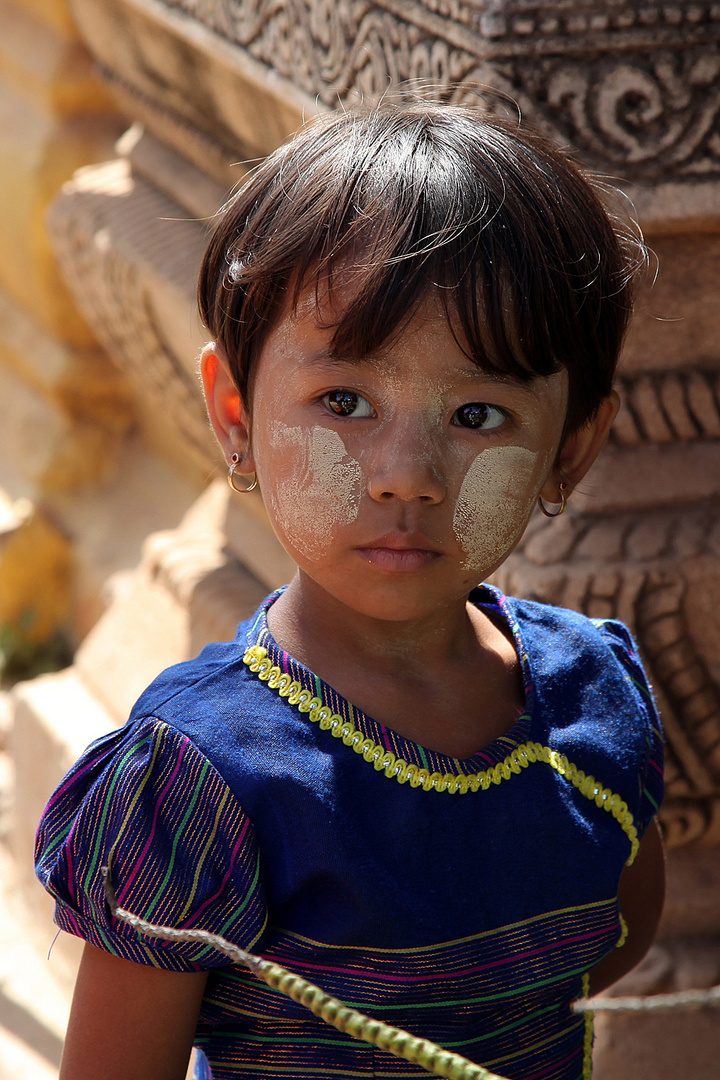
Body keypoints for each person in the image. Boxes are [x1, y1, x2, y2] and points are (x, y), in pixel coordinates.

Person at [35, 100, 665, 1080]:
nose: (405, 473)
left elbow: (608, 943)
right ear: (235, 414)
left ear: (571, 449)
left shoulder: (595, 705)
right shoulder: (201, 779)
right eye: (343, 402)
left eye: (477, 412)